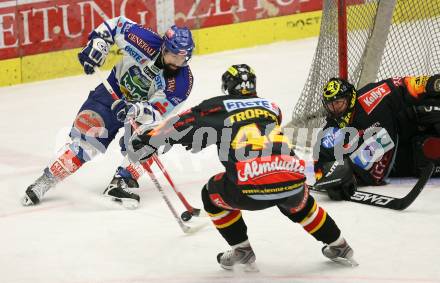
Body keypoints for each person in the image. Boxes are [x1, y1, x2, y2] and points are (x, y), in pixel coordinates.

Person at [126, 64, 357, 269]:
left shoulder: (216, 107)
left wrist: (149, 139)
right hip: (291, 175)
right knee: (294, 196)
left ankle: (242, 250)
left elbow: (182, 124)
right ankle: (340, 245)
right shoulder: (273, 107)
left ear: (227, 87)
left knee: (210, 193)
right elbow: (246, 126)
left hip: (250, 186)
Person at [22, 16, 195, 209]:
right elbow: (115, 26)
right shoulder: (144, 41)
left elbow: (157, 113)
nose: (178, 62)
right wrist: (98, 45)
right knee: (86, 145)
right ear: (164, 47)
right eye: (174, 55)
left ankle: (122, 180)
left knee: (155, 137)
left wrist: (134, 109)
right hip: (111, 92)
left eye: (183, 58)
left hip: (139, 110)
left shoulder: (182, 82)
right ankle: (45, 181)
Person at [314, 75, 440, 200]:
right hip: (395, 161)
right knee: (423, 158)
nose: (335, 110)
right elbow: (320, 163)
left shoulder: (370, 98)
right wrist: (332, 182)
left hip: (407, 125)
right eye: (331, 105)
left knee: (431, 112)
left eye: (338, 103)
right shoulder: (332, 130)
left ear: (349, 99)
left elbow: (402, 84)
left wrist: (430, 83)